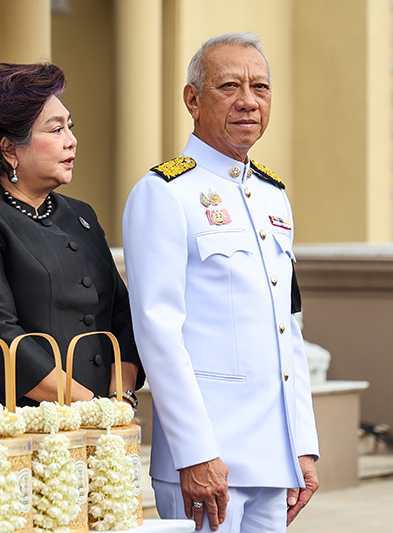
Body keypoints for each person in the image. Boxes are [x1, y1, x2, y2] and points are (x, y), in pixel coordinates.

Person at [123, 33, 319, 532]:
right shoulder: (165, 193)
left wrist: (303, 444)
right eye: (229, 86)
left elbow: (287, 328)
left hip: (274, 455)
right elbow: (157, 332)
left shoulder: (274, 196)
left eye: (261, 87)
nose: (248, 101)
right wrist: (193, 452)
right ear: (193, 100)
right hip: (209, 458)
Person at [0, 63, 144, 406]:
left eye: (70, 127)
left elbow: (122, 314)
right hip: (15, 426)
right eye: (55, 130)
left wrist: (120, 396)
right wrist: (92, 407)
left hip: (102, 422)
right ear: (9, 149)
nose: (71, 141)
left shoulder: (80, 214)